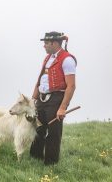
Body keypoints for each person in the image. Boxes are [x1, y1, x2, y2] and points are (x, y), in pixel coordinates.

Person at [30, 31, 77, 165]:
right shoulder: (47, 58)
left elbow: (71, 86)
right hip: (42, 99)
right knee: (38, 129)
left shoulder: (67, 59)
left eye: (46, 43)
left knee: (53, 132)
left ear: (55, 43)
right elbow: (41, 79)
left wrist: (62, 108)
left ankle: (50, 164)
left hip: (56, 99)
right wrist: (33, 99)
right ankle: (34, 159)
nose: (44, 46)